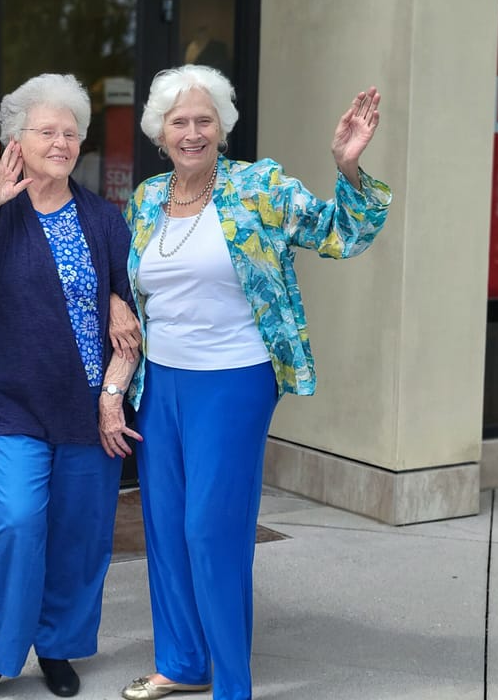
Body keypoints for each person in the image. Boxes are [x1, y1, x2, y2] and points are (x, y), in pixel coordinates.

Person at [97, 65, 390, 700]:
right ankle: (181, 661)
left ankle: (232, 682)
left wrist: (347, 168)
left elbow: (341, 233)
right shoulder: (146, 199)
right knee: (167, 526)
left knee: (211, 528)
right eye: (180, 122)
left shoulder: (258, 188)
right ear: (160, 131)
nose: (193, 132)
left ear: (223, 128)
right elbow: (131, 285)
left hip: (234, 379)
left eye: (205, 120)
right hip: (162, 382)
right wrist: (119, 316)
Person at [0, 74, 140, 700]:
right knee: (19, 523)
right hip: (12, 403)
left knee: (80, 537)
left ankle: (57, 645)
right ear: (14, 141)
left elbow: (131, 324)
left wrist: (111, 397)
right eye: (46, 131)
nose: (61, 143)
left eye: (71, 133)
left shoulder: (104, 218)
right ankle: (1, 654)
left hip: (87, 408)